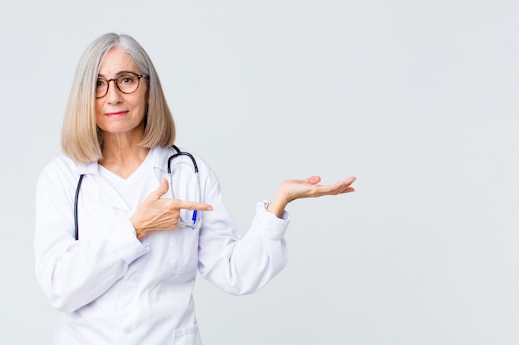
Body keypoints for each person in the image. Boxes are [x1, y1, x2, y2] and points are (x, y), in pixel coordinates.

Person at [35, 32, 356, 345]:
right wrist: (136, 228)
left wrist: (278, 203)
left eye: (126, 80)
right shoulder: (62, 179)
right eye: (98, 85)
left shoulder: (190, 173)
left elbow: (236, 273)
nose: (113, 96)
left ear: (148, 87)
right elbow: (60, 288)